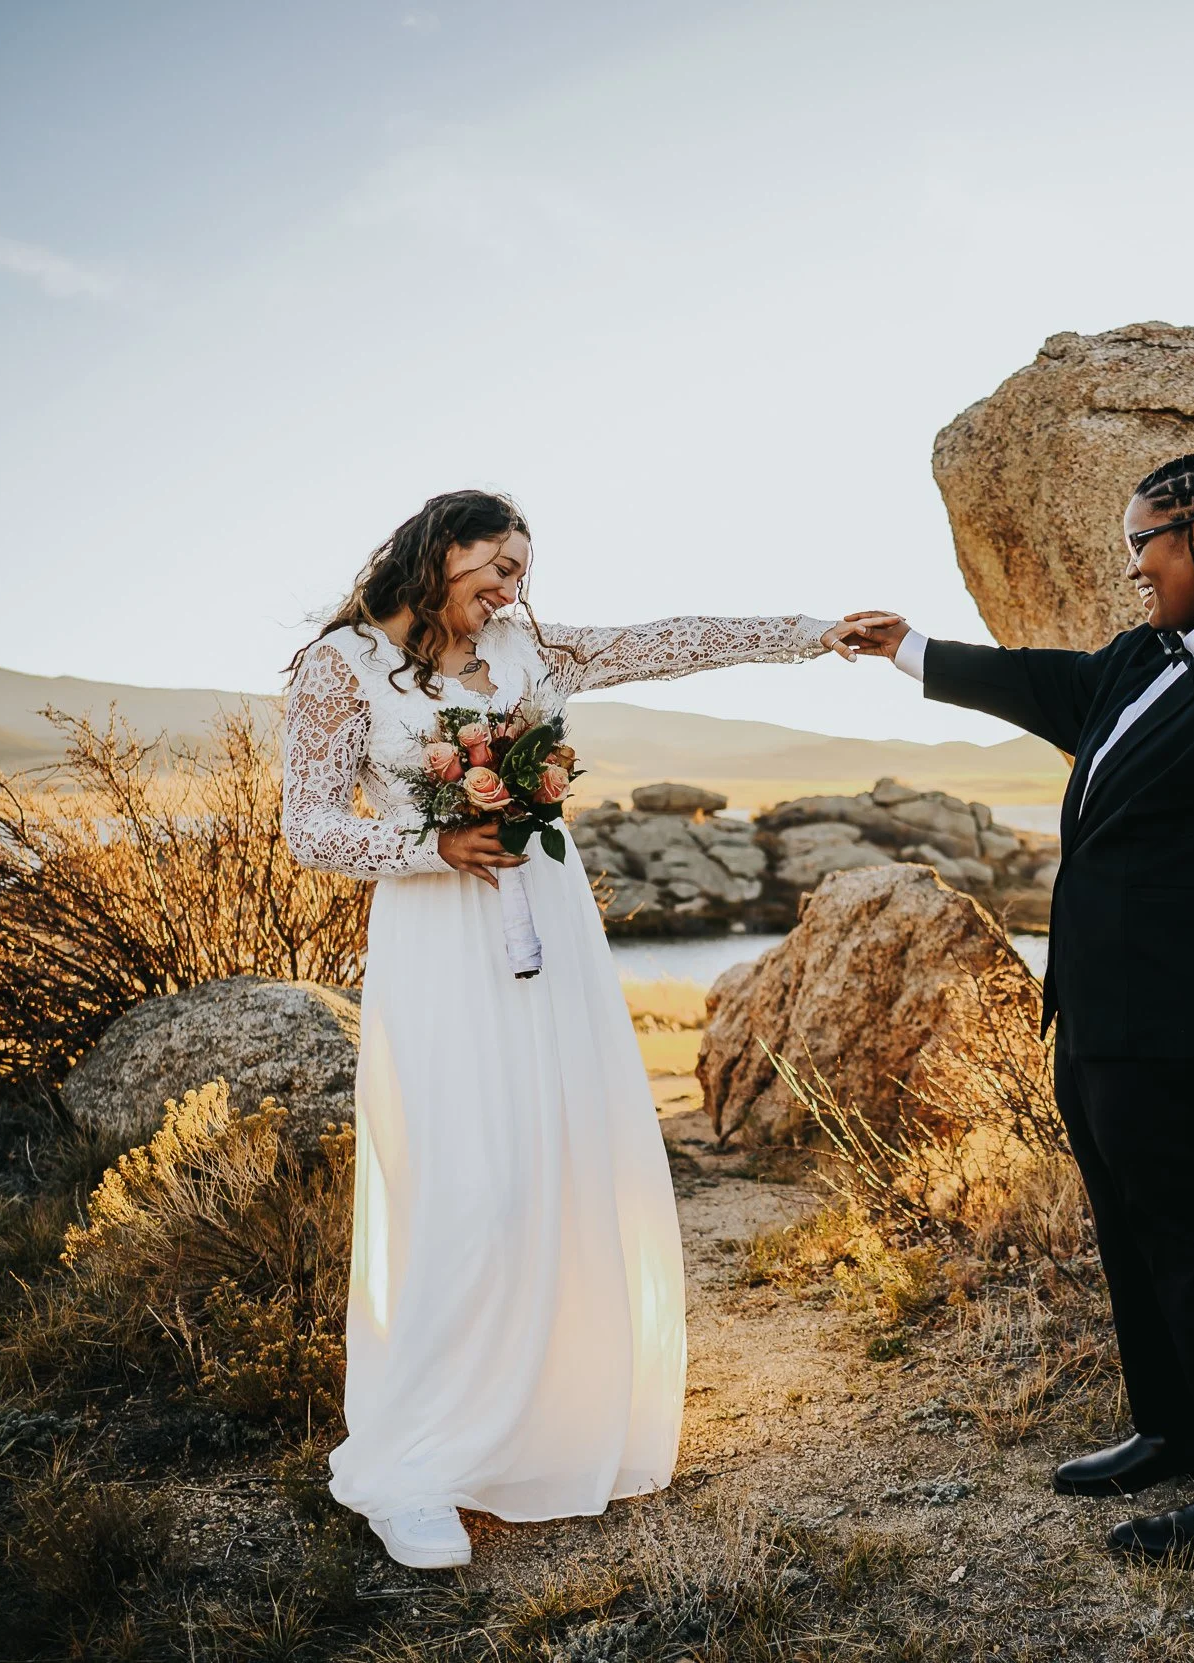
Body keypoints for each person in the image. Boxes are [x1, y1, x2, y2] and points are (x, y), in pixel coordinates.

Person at [279, 488, 887, 1570]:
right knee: (470, 1182)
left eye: (520, 570)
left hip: (549, 928)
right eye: (494, 568)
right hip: (438, 938)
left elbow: (669, 642)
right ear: (436, 553)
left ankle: (548, 1426)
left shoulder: (526, 646)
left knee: (560, 1162)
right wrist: (435, 846)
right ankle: (416, 1463)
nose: (510, 590)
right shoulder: (341, 667)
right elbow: (310, 825)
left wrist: (810, 634)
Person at [850, 450, 1194, 1567]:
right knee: (1137, 1236)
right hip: (1109, 1025)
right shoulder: (1144, 658)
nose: (1131, 568)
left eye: (1144, 543)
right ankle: (1176, 1427)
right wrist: (908, 651)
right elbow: (1048, 689)